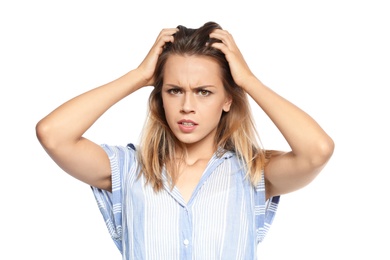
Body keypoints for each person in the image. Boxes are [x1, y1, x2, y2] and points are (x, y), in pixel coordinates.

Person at [36, 21, 334, 259]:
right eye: (174, 90)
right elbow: (53, 134)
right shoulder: (129, 169)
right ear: (160, 95)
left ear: (228, 98)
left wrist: (248, 80)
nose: (187, 106)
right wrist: (139, 76)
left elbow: (317, 151)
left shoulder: (253, 172)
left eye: (204, 91)